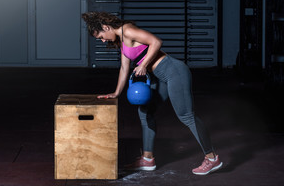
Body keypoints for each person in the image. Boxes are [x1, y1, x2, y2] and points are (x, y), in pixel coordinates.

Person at [81, 12, 223, 175]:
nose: (103, 40)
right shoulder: (122, 41)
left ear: (105, 27)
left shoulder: (128, 31)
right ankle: (147, 159)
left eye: (101, 36)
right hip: (162, 77)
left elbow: (156, 41)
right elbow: (124, 68)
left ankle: (212, 158)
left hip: (175, 72)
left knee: (186, 116)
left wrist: (143, 65)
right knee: (145, 111)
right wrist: (116, 93)